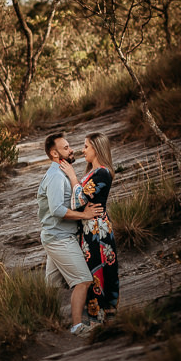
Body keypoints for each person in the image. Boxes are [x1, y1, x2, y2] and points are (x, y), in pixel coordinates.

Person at [37, 132, 102, 336]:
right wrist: (84, 215)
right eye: (66, 148)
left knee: (52, 287)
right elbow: (57, 209)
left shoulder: (62, 173)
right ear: (54, 153)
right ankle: (77, 326)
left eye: (69, 146)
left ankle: (46, 324)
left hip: (54, 237)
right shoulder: (56, 176)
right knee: (83, 280)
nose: (71, 149)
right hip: (60, 238)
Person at [58, 132, 119, 324]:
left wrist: (71, 175)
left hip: (97, 232)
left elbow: (79, 200)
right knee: (90, 272)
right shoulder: (92, 173)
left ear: (96, 148)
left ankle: (100, 319)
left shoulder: (103, 173)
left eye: (86, 146)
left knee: (97, 272)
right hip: (88, 230)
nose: (82, 150)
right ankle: (95, 318)